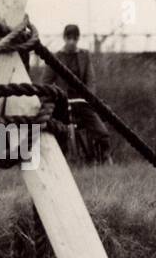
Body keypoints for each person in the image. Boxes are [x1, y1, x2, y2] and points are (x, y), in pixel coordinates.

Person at [40, 24, 111, 163]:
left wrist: (89, 96)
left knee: (101, 131)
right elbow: (45, 82)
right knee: (58, 131)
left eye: (74, 38)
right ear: (64, 38)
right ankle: (62, 159)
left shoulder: (84, 56)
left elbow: (91, 79)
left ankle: (104, 156)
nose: (71, 41)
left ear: (78, 39)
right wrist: (49, 98)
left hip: (81, 101)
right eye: (69, 38)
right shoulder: (56, 57)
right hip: (62, 103)